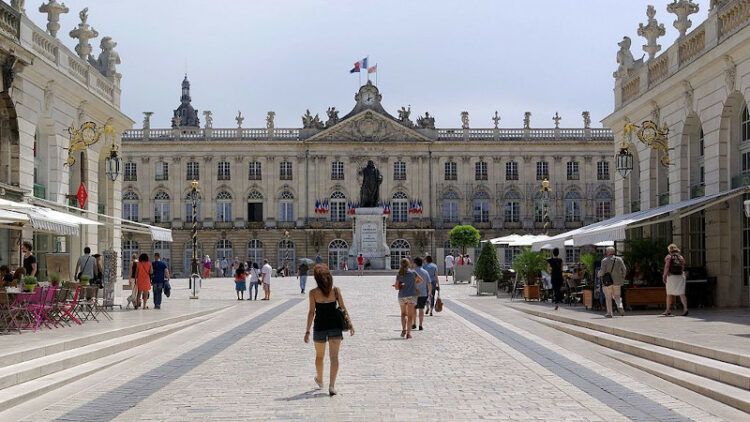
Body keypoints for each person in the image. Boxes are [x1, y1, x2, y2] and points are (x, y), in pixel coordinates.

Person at [304, 264, 354, 397]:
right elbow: (343, 308)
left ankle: (320, 380)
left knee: (319, 356)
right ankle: (332, 386)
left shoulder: (313, 293)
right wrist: (351, 324)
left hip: (320, 326)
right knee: (334, 357)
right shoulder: (335, 291)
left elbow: (311, 312)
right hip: (335, 326)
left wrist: (307, 331)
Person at [394, 257, 421, 339]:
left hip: (402, 295)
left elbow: (396, 287)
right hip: (411, 296)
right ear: (408, 264)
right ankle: (408, 333)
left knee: (403, 314)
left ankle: (403, 330)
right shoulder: (413, 273)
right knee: (410, 315)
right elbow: (420, 280)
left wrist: (401, 285)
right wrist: (413, 283)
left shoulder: (399, 274)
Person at [597, 246, 627, 318]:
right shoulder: (619, 259)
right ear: (613, 252)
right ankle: (620, 306)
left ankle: (609, 313)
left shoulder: (604, 260)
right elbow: (624, 269)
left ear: (607, 252)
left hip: (607, 282)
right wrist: (622, 277)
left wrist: (598, 274)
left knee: (608, 297)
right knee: (617, 296)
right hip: (617, 281)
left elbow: (602, 271)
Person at [662, 244, 689, 317]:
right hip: (680, 276)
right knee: (682, 293)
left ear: (669, 250)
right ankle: (685, 309)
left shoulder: (668, 257)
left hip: (671, 276)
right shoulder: (680, 257)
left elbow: (667, 267)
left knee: (669, 294)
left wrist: (664, 276)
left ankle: (668, 310)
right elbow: (683, 266)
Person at [413, 257, 432, 331]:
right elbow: (429, 283)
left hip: (414, 294)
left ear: (415, 263)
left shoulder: (412, 272)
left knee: (414, 309)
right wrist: (430, 293)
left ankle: (414, 323)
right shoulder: (425, 272)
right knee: (421, 309)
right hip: (423, 293)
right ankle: (420, 325)